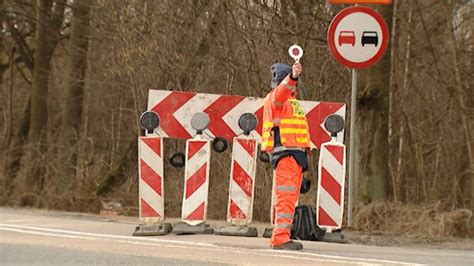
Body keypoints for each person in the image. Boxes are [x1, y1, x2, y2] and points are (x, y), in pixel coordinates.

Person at [261, 61, 310, 250]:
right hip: (287, 153)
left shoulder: (291, 101)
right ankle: (280, 238)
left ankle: (282, 234)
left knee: (288, 197)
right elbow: (282, 91)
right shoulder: (278, 97)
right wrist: (293, 76)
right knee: (286, 197)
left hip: (294, 153)